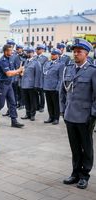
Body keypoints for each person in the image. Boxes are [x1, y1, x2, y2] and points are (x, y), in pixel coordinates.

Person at [60, 38, 96, 189]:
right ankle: (75, 173)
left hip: (85, 116)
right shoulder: (68, 69)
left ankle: (84, 175)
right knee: (74, 147)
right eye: (74, 52)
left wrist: (93, 115)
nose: (75, 54)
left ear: (86, 54)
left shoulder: (92, 71)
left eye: (79, 52)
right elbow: (61, 92)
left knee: (86, 147)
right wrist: (62, 110)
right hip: (70, 115)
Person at [0, 44, 24, 128]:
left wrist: (20, 72)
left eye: (12, 50)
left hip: (9, 84)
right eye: (10, 50)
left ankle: (14, 120)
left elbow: (12, 71)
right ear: (5, 51)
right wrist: (18, 70)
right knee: (0, 104)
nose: (12, 52)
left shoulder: (10, 59)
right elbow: (8, 73)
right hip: (2, 85)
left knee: (13, 102)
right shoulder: (2, 60)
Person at [42, 48, 64, 125]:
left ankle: (56, 118)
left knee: (55, 104)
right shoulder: (48, 63)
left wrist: (58, 88)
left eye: (54, 54)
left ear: (58, 55)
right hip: (47, 86)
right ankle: (50, 117)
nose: (52, 55)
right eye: (52, 54)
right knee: (49, 103)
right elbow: (45, 74)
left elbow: (61, 77)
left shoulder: (61, 64)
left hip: (54, 87)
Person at [20, 47, 42, 121]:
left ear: (33, 53)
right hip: (24, 84)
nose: (28, 54)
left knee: (33, 101)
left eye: (30, 52)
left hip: (32, 85)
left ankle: (32, 115)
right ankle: (27, 113)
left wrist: (36, 85)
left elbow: (38, 75)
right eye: (27, 52)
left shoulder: (36, 62)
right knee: (26, 100)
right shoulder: (25, 61)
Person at [35, 44, 48, 113]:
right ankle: (37, 106)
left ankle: (41, 106)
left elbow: (45, 68)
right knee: (35, 93)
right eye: (37, 49)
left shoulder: (45, 58)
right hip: (35, 78)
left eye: (39, 49)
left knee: (41, 93)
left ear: (42, 50)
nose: (37, 50)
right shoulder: (34, 57)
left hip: (41, 78)